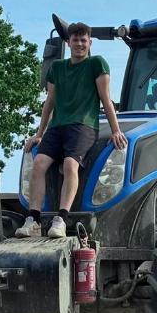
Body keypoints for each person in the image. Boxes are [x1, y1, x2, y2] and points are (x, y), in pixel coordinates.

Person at [16, 22, 127, 238]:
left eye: (83, 40)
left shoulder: (96, 64)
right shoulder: (57, 68)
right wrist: (39, 134)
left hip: (83, 125)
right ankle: (34, 219)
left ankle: (61, 218)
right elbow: (49, 102)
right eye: (75, 40)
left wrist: (116, 130)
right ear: (68, 43)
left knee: (69, 163)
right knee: (38, 163)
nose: (79, 44)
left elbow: (106, 99)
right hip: (57, 127)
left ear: (90, 42)